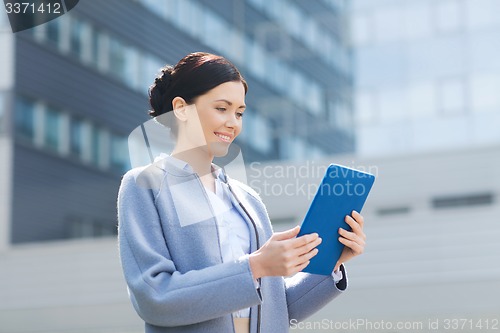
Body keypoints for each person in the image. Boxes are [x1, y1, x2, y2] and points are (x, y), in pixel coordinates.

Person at [117, 52, 366, 333]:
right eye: (221, 109)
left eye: (239, 113)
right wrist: (256, 266)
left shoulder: (248, 200)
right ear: (181, 108)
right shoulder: (144, 185)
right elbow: (154, 297)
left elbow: (275, 311)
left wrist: (330, 264)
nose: (233, 123)